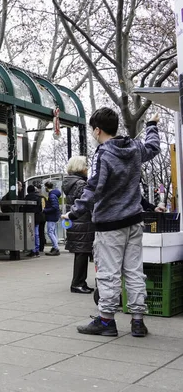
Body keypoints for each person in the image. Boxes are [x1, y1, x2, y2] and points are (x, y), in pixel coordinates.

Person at [64, 109, 160, 337]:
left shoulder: (103, 154)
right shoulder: (134, 148)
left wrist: (74, 213)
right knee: (135, 272)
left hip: (109, 224)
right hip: (135, 221)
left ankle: (106, 321)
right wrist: (152, 126)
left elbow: (93, 187)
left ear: (97, 130)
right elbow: (153, 147)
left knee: (108, 273)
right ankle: (138, 321)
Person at [63, 156, 95, 294]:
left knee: (81, 253)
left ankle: (80, 282)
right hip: (83, 222)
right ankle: (77, 283)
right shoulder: (80, 184)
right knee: (82, 253)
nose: (87, 169)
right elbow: (88, 202)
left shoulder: (70, 182)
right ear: (80, 168)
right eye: (85, 166)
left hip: (76, 222)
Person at [43, 182, 61, 256]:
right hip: (54, 216)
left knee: (50, 232)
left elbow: (54, 207)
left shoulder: (52, 196)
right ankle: (55, 247)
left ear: (47, 187)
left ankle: (56, 248)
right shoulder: (54, 194)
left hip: (51, 216)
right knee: (53, 231)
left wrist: (45, 210)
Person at [23, 185, 42, 258]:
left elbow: (24, 208)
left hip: (29, 217)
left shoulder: (27, 198)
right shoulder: (38, 197)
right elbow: (40, 208)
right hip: (37, 217)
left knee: (31, 233)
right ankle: (37, 250)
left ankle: (32, 250)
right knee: (36, 234)